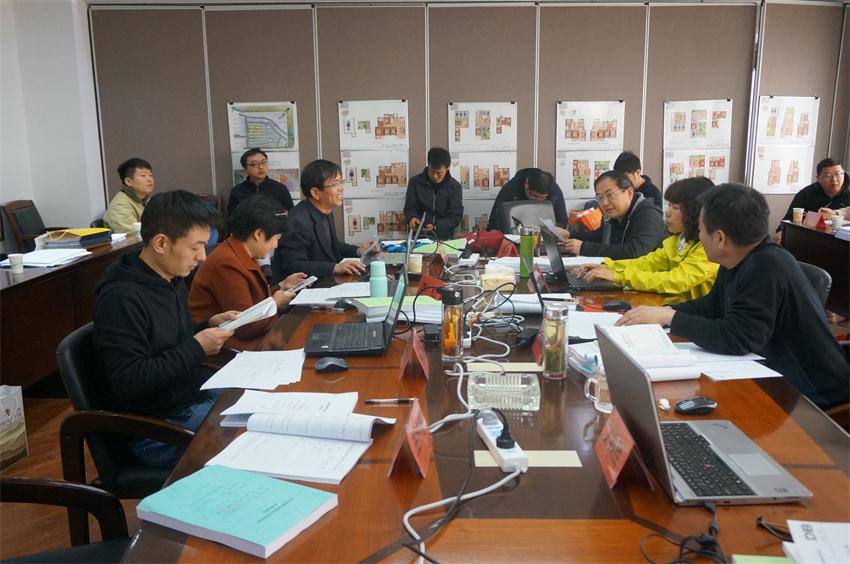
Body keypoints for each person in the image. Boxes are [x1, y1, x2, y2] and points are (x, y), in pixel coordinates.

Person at [616, 184, 848, 411]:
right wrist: (663, 312)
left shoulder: (765, 267)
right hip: (774, 377)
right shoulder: (739, 258)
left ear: (720, 238)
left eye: (700, 230)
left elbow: (737, 338)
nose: (698, 236)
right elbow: (713, 306)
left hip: (810, 393)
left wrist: (670, 317)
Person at [93, 190, 238, 467]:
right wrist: (197, 347)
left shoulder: (169, 278)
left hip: (188, 398)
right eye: (195, 247)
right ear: (161, 243)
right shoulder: (121, 298)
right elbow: (130, 380)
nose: (202, 257)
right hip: (155, 430)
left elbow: (166, 341)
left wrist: (206, 325)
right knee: (251, 436)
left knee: (260, 401)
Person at [189, 194, 307, 351]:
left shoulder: (240, 252)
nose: (276, 245)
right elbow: (245, 327)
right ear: (258, 234)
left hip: (249, 340)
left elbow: (252, 302)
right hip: (227, 348)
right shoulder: (227, 263)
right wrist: (275, 303)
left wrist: (280, 286)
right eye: (276, 239)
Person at [579, 177, 718, 303]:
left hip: (692, 315)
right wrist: (609, 266)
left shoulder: (707, 249)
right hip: (672, 306)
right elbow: (649, 262)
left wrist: (618, 276)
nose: (668, 212)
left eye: (675, 207)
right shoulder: (680, 240)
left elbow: (676, 280)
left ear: (696, 212)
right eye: (669, 205)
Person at [276, 159, 372, 279]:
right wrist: (334, 268)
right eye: (335, 184)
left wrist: (359, 251)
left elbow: (332, 246)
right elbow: (294, 265)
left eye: (341, 182)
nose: (341, 188)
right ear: (315, 193)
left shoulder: (325, 211)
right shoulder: (298, 221)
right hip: (304, 288)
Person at [555, 170, 665, 259]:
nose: (604, 203)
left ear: (629, 192)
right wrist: (569, 235)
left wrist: (583, 248)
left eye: (610, 195)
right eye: (600, 197)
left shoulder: (648, 215)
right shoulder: (613, 216)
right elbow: (599, 236)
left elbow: (634, 252)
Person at [404, 147, 463, 240]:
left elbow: (455, 215)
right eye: (432, 171)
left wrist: (436, 226)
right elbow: (410, 208)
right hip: (419, 236)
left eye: (439, 173)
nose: (435, 176)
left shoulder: (454, 187)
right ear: (428, 165)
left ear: (447, 169)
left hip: (443, 237)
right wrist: (412, 218)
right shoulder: (415, 182)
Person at [485, 168, 568, 231]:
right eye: (534, 196)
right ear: (526, 184)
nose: (538, 201)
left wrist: (552, 231)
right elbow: (495, 221)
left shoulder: (554, 190)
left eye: (543, 198)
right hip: (514, 237)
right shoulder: (511, 188)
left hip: (545, 237)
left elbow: (562, 221)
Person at [778, 157, 848, 230]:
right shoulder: (806, 194)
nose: (834, 179)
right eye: (828, 176)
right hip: (809, 235)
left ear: (844, 174)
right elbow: (788, 221)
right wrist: (781, 231)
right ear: (818, 178)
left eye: (838, 174)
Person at [228, 148, 295, 216]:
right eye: (254, 164)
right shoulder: (237, 191)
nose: (260, 167)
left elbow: (291, 215)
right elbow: (232, 219)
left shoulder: (280, 188)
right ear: (245, 169)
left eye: (263, 162)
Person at [102, 157, 154, 234]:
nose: (149, 179)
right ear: (128, 182)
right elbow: (131, 236)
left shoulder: (145, 200)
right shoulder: (120, 206)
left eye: (150, 175)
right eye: (143, 176)